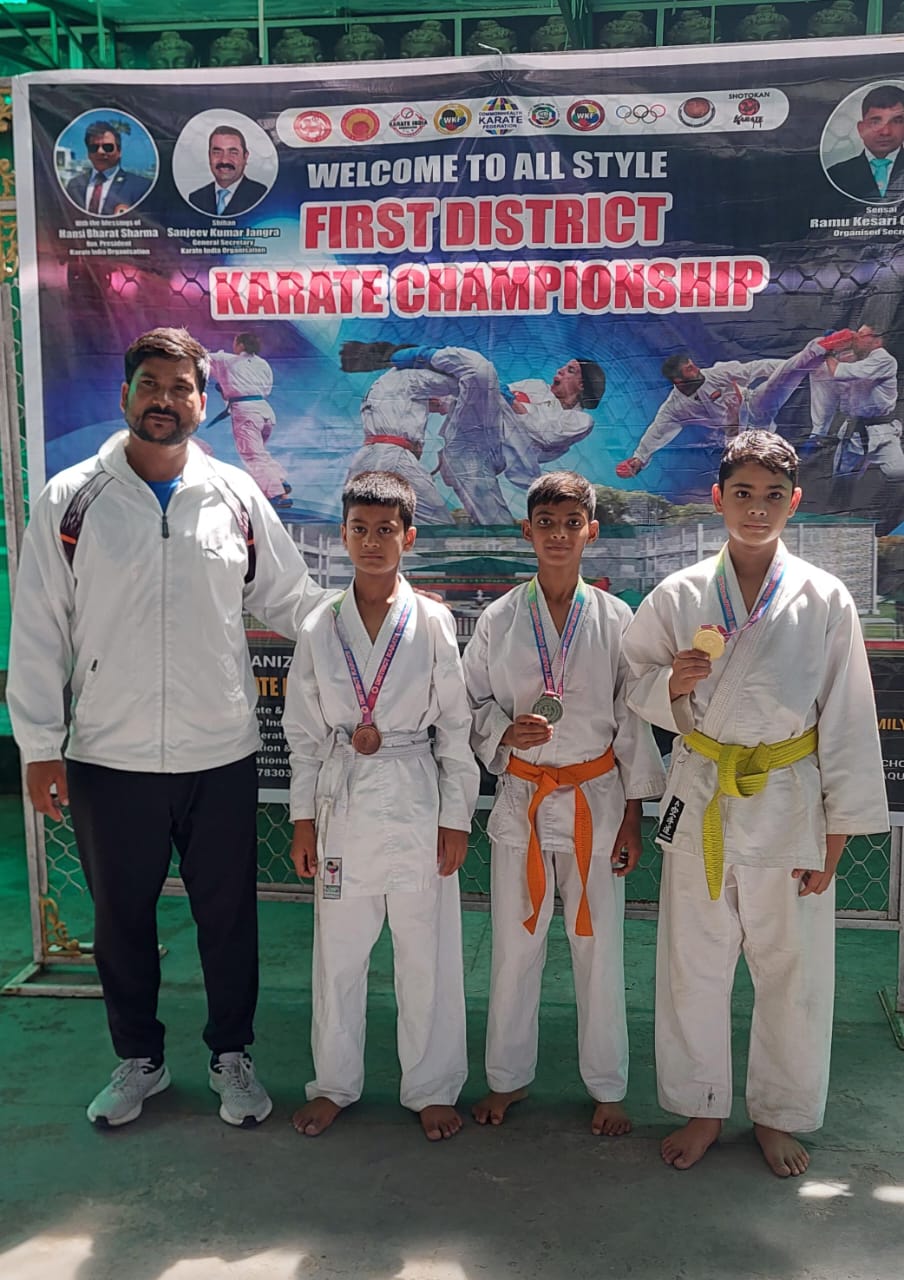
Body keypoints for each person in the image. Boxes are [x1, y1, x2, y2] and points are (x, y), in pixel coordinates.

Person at [7, 327, 325, 1129]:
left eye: (181, 388)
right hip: (107, 756)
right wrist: (39, 745)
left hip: (220, 751)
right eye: (150, 384)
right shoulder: (71, 499)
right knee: (121, 920)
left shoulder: (235, 496)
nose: (164, 400)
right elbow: (39, 629)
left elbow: (292, 599)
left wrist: (374, 624)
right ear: (125, 395)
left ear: (202, 401)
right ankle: (139, 1061)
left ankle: (231, 1055)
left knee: (229, 916)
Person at [623, 431, 888, 1176]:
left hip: (788, 800)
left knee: (790, 969)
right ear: (718, 498)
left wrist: (838, 833)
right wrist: (670, 685)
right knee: (693, 964)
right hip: (704, 787)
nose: (757, 509)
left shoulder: (824, 597)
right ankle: (703, 1106)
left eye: (773, 496)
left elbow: (847, 716)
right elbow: (632, 681)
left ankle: (779, 1113)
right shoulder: (678, 593)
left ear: (794, 502)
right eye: (742, 493)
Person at [462, 471, 665, 1133]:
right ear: (527, 531)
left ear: (591, 532)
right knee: (514, 948)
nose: (558, 535)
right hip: (523, 796)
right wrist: (503, 731)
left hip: (595, 802)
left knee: (598, 948)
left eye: (571, 523)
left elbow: (632, 721)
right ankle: (507, 1079)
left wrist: (632, 816)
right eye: (545, 523)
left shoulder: (616, 619)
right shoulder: (498, 619)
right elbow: (468, 702)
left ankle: (608, 1086)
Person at [283, 471, 479, 1141]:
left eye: (386, 530)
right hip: (342, 803)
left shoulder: (433, 620)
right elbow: (303, 734)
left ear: (409, 537)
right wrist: (303, 822)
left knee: (427, 953)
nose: (372, 542)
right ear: (343, 536)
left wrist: (456, 818)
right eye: (360, 529)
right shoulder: (319, 625)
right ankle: (334, 1083)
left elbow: (455, 727)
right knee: (339, 955)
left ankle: (431, 1086)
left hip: (416, 792)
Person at [340, 342, 605, 524]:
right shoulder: (535, 386)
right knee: (479, 372)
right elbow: (479, 398)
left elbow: (543, 434)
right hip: (469, 436)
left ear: (582, 385)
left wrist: (508, 399)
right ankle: (429, 355)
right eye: (563, 367)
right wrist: (445, 400)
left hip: (490, 455)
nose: (560, 371)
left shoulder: (580, 420)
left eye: (570, 370)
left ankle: (499, 580)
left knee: (497, 525)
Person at [614, 338, 833, 479]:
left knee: (780, 381)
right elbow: (657, 431)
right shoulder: (675, 408)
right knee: (741, 470)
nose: (696, 369)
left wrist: (784, 367)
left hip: (755, 407)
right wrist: (638, 460)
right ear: (678, 381)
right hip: (735, 436)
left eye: (692, 364)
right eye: (689, 369)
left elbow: (755, 368)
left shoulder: (717, 374)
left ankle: (818, 348)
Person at [805, 325, 903, 480]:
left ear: (877, 341)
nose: (856, 338)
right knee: (841, 478)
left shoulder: (884, 360)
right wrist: (835, 343)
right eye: (856, 334)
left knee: (898, 473)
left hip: (882, 431)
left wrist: (828, 350)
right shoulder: (858, 358)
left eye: (862, 335)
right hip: (854, 430)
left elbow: (838, 371)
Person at [208, 332, 292, 507]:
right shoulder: (263, 364)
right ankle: (278, 479)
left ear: (240, 345)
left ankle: (275, 493)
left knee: (252, 455)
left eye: (235, 343)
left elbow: (201, 356)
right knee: (259, 452)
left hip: (246, 412)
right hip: (265, 411)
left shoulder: (227, 360)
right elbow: (266, 389)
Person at [827, 85, 904, 203]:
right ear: (861, 129)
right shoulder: (836, 175)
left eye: (896, 121)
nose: (885, 132)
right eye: (876, 122)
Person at [65, 120, 152, 216]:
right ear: (88, 154)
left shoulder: (140, 187)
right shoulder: (74, 185)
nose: (100, 152)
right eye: (94, 147)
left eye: (107, 147)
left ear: (119, 152)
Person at [188, 125, 268, 216]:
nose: (224, 160)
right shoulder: (195, 199)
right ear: (209, 156)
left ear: (245, 157)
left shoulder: (262, 196)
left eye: (233, 153)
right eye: (217, 153)